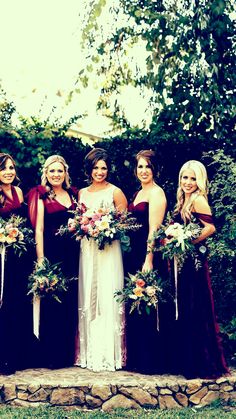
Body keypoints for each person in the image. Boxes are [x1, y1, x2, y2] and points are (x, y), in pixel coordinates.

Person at [170, 160, 229, 379]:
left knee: (196, 307)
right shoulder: (182, 199)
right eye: (185, 177)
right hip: (184, 261)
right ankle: (186, 359)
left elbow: (210, 228)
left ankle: (200, 362)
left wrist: (187, 240)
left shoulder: (199, 200)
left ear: (200, 180)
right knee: (185, 307)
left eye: (193, 178)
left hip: (195, 261)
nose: (188, 182)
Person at [75, 148, 127, 372]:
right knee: (88, 295)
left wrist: (106, 229)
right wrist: (86, 227)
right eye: (96, 167)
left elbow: (124, 224)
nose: (100, 171)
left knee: (108, 294)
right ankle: (90, 354)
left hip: (108, 250)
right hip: (88, 250)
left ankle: (110, 355)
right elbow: (80, 220)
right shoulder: (82, 193)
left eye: (103, 167)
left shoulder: (115, 192)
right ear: (89, 168)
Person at [27, 155, 79, 369]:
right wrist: (41, 258)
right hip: (51, 253)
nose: (56, 175)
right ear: (46, 173)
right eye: (52, 171)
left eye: (60, 171)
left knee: (69, 302)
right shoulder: (40, 195)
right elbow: (38, 228)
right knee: (52, 301)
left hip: (73, 254)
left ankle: (67, 355)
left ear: (65, 173)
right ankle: (50, 356)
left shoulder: (73, 194)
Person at [124, 149, 168, 374]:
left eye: (147, 167)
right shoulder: (138, 193)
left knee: (148, 305)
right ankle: (138, 358)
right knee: (136, 303)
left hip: (147, 254)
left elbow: (154, 229)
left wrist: (148, 259)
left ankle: (151, 361)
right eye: (140, 166)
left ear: (155, 169)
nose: (143, 171)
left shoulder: (156, 193)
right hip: (134, 254)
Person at [0, 153, 34, 374]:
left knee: (15, 304)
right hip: (1, 255)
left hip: (17, 257)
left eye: (11, 167)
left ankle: (15, 355)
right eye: (4, 168)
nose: (9, 172)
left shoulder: (18, 192)